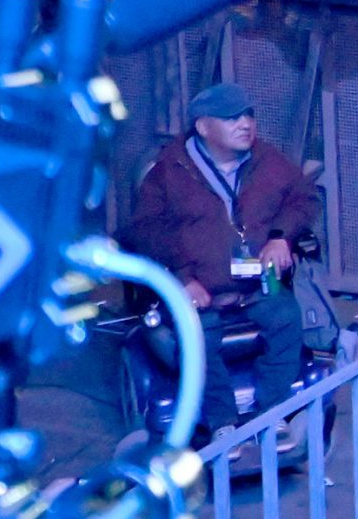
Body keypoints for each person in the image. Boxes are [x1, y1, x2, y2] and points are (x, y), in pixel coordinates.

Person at [123, 82, 315, 453]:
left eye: (248, 115)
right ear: (203, 127)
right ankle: (223, 423)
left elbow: (302, 198)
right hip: (197, 283)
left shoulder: (267, 160)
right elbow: (144, 231)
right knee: (198, 335)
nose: (245, 124)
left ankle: (270, 414)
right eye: (231, 118)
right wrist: (181, 278)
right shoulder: (168, 171)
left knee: (287, 315)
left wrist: (281, 236)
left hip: (255, 278)